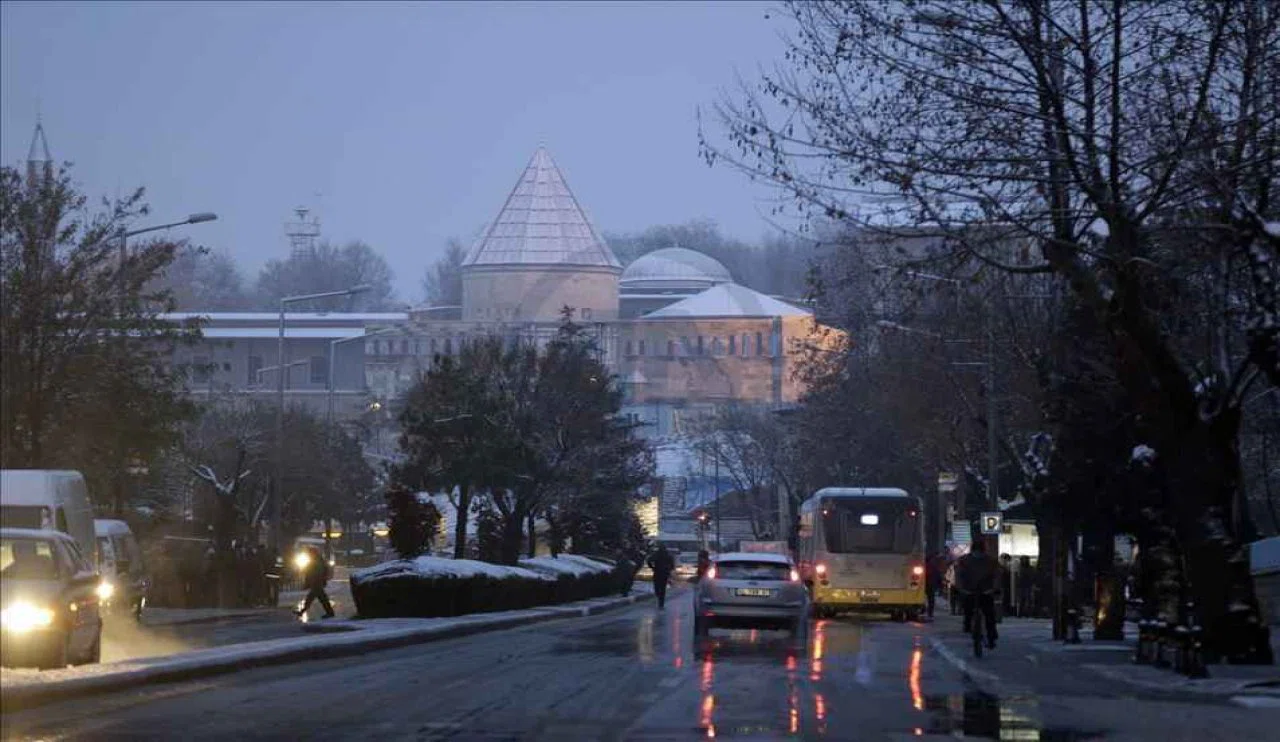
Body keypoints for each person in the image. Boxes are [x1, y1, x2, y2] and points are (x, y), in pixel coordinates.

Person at [955, 540, 1000, 648]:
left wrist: (960, 588)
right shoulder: (991, 561)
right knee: (989, 614)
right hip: (985, 590)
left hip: (970, 590)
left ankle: (968, 625)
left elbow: (959, 575)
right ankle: (991, 635)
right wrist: (994, 588)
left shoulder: (964, 560)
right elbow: (996, 576)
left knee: (969, 610)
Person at [295, 546, 335, 619]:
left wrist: (313, 580)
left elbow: (315, 572)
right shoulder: (316, 560)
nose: (308, 554)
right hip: (317, 583)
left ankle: (302, 611)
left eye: (309, 553)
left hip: (317, 583)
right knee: (321, 599)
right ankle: (330, 612)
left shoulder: (316, 561)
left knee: (312, 598)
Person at [647, 545, 675, 609]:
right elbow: (672, 565)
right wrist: (668, 569)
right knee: (663, 588)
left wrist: (652, 567)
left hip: (657, 572)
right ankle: (661, 602)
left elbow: (649, 560)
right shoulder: (668, 555)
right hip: (664, 573)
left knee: (657, 586)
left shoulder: (656, 554)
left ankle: (658, 596)